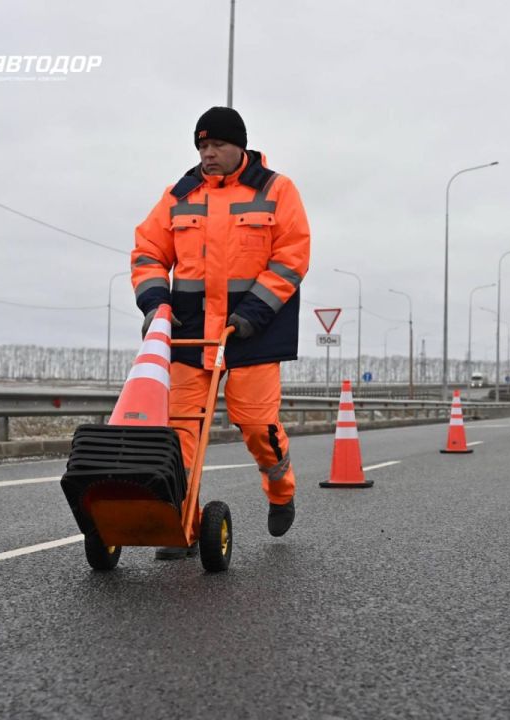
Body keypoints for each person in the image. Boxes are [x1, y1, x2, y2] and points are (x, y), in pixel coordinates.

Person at [132, 106, 310, 559]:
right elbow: (148, 252)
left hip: (255, 330)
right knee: (180, 433)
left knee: (256, 424)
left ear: (240, 147)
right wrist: (156, 307)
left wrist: (252, 313)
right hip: (191, 333)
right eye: (201, 146)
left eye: (217, 146)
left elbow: (292, 257)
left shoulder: (276, 190)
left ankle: (281, 492)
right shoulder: (180, 195)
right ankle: (182, 524)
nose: (207, 154)